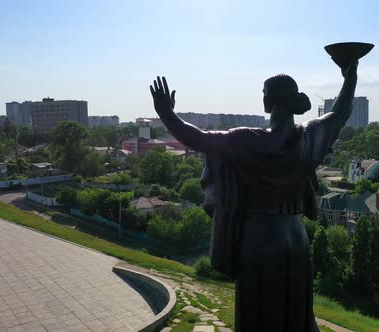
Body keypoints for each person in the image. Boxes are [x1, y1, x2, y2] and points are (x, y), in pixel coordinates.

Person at [150, 58, 358, 332]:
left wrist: (167, 114)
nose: (262, 96)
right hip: (296, 238)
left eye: (264, 91)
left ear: (271, 99)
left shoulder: (247, 139)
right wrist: (350, 74)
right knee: (295, 315)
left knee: (258, 317)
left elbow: (198, 138)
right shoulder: (309, 135)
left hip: (259, 239)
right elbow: (340, 112)